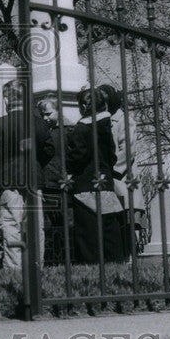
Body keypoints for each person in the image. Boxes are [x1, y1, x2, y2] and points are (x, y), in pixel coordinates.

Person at [0, 79, 54, 273]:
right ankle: (36, 265)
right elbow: (49, 149)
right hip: (34, 179)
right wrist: (36, 164)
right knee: (35, 225)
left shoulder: (0, 124)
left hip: (10, 180)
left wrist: (1, 166)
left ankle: (14, 267)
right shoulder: (39, 123)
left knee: (11, 224)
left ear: (7, 100)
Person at [65, 87, 123, 264]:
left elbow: (78, 157)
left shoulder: (81, 129)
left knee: (88, 231)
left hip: (85, 184)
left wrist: (68, 165)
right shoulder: (107, 126)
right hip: (105, 182)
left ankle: (91, 266)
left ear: (83, 106)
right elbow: (112, 156)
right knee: (109, 228)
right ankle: (115, 263)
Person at [96, 84, 146, 258]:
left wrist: (110, 168)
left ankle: (131, 256)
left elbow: (128, 150)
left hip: (122, 176)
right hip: (107, 177)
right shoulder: (101, 119)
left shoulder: (125, 120)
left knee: (127, 219)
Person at [36, 95, 73, 265]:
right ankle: (52, 260)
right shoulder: (40, 131)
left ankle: (69, 259)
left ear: (58, 111)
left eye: (49, 114)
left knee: (67, 224)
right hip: (46, 183)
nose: (45, 118)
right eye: (42, 114)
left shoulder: (69, 129)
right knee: (48, 225)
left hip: (65, 183)